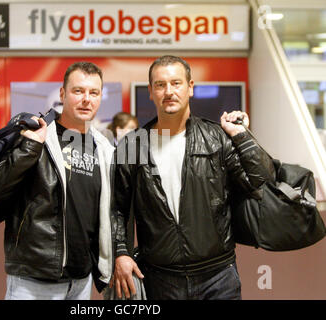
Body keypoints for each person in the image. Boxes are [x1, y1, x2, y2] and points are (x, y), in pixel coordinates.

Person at [111, 55, 275, 300]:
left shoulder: (218, 138)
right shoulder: (131, 146)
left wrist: (241, 135)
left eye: (176, 83)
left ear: (190, 87)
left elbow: (261, 182)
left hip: (218, 277)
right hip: (158, 278)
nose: (169, 91)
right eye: (160, 84)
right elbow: (118, 208)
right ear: (150, 91)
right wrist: (121, 252)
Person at [0, 62, 115, 300]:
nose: (86, 99)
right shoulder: (36, 137)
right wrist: (29, 148)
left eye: (94, 92)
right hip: (34, 279)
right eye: (78, 91)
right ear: (62, 93)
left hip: (80, 280)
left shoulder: (105, 148)